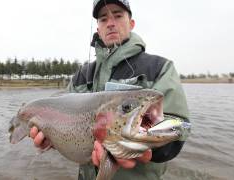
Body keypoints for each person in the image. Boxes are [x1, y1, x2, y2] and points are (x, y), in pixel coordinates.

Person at [30, 0, 190, 179]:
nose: (111, 23)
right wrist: (51, 138)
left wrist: (153, 149)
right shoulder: (82, 75)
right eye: (103, 19)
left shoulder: (159, 68)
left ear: (131, 23)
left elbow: (180, 128)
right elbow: (61, 118)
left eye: (118, 15)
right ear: (98, 28)